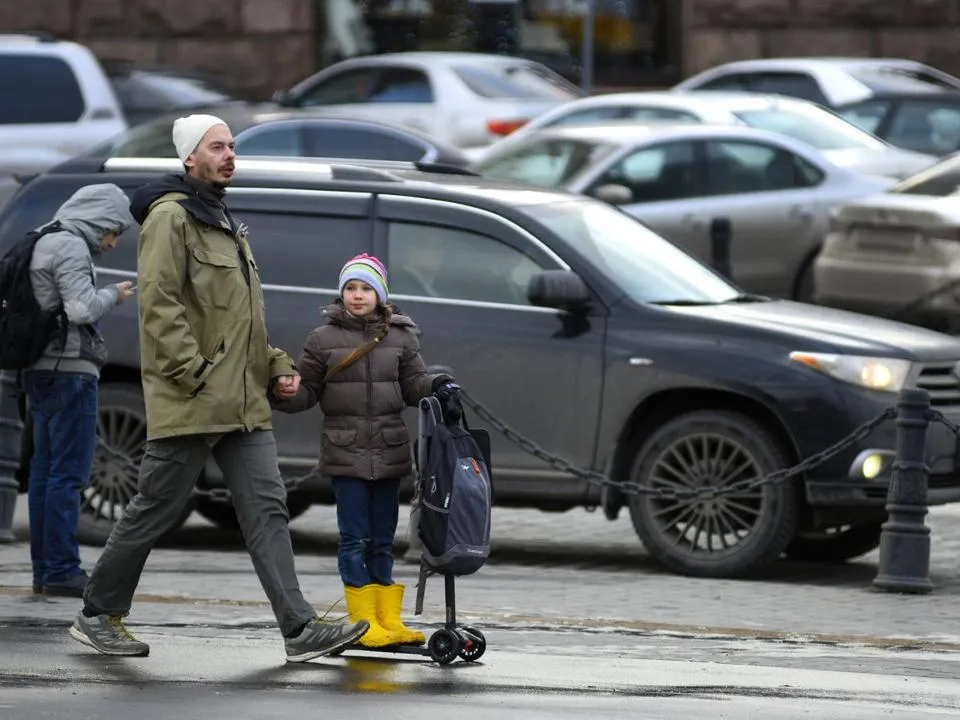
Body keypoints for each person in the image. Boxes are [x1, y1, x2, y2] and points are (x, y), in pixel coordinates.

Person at [69, 114, 369, 660]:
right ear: (189, 158)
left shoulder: (223, 218)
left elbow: (242, 318)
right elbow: (159, 308)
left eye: (232, 146)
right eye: (217, 146)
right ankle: (97, 613)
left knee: (268, 509)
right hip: (195, 398)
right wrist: (195, 373)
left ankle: (299, 629)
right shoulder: (170, 219)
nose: (230, 154)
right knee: (156, 507)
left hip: (244, 402)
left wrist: (275, 362)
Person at [274, 253, 458, 648]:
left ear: (380, 293)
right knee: (353, 538)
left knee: (382, 539)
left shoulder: (400, 336)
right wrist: (284, 392)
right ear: (342, 294)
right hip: (346, 452)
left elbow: (413, 384)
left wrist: (439, 385)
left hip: (388, 452)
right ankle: (361, 623)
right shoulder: (322, 339)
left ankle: (386, 620)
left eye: (366, 288)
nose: (358, 296)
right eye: (351, 288)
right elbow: (306, 391)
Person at [25, 184, 136, 597]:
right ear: (99, 221)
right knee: (69, 474)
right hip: (69, 369)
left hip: (40, 370)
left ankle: (46, 569)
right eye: (113, 231)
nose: (111, 242)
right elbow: (80, 309)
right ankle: (61, 570)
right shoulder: (70, 246)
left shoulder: (42, 236)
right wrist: (113, 294)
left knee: (45, 473)